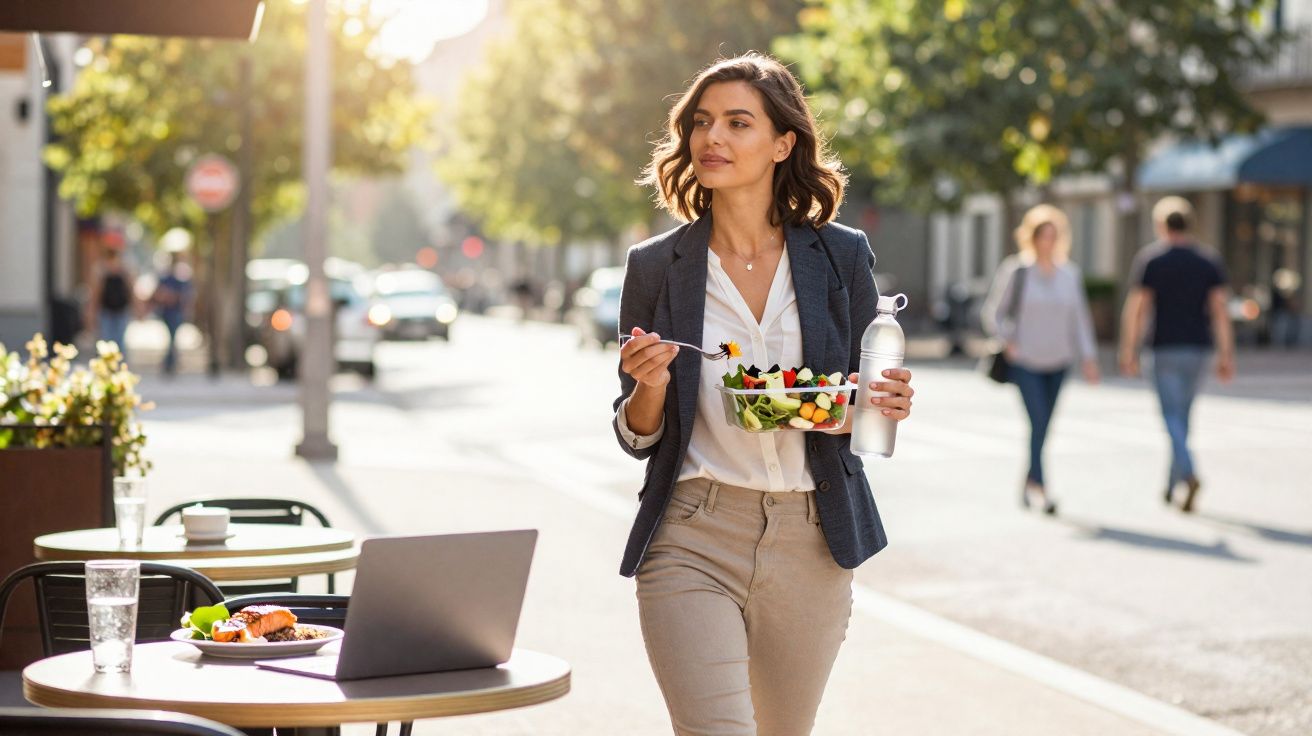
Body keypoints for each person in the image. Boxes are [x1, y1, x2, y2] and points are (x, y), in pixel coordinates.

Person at [613, 54, 915, 735]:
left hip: (812, 538)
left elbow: (864, 403)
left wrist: (876, 403)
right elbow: (636, 434)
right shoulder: (656, 267)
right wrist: (648, 384)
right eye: (701, 123)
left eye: (737, 122)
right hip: (692, 530)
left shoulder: (841, 257)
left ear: (783, 144)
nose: (712, 138)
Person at [1119, 196, 1235, 512]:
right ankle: (1172, 487)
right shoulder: (1208, 260)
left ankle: (1188, 471)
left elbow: (1137, 309)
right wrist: (1227, 354)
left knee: (1171, 417)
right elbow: (1220, 311)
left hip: (1163, 348)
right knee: (1182, 418)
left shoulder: (1152, 260)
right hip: (1199, 347)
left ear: (1161, 226)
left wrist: (1128, 349)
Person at [982, 204, 1099, 515]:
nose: (1047, 242)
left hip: (1059, 361)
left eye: (1053, 236)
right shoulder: (1017, 270)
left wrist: (1089, 357)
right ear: (1031, 238)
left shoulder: (1069, 274)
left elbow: (1080, 319)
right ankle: (1042, 488)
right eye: (1042, 236)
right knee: (1038, 422)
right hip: (1026, 362)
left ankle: (1029, 479)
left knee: (1044, 426)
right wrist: (1007, 342)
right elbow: (992, 313)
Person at [85, 242, 135, 355]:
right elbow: (96, 293)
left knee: (117, 341)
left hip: (120, 310)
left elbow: (131, 290)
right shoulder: (101, 269)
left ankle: (116, 367)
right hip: (106, 310)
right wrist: (91, 312)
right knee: (107, 341)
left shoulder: (124, 269)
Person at [150, 252, 194, 376]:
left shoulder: (182, 279)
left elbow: (186, 296)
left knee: (173, 338)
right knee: (171, 338)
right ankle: (170, 362)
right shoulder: (165, 278)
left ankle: (170, 362)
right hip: (167, 312)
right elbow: (157, 294)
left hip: (176, 312)